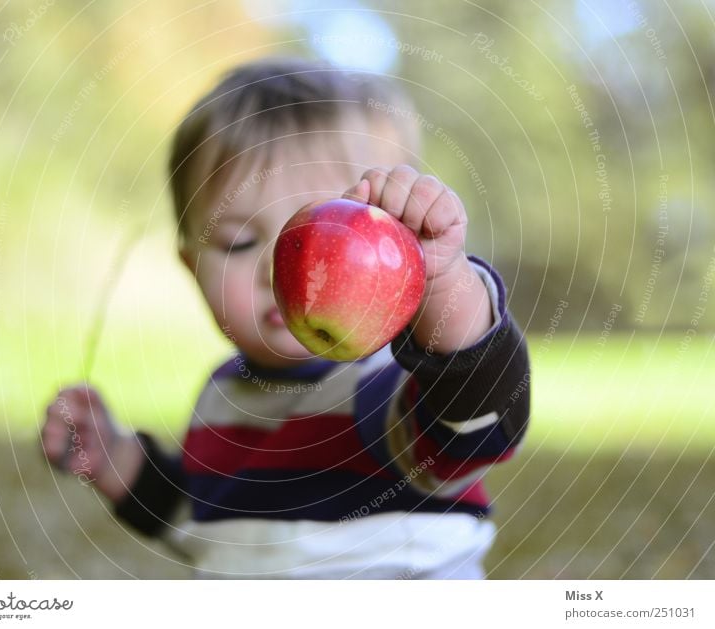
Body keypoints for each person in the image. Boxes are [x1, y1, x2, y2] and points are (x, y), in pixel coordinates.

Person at [41, 57, 530, 579]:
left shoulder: (390, 382)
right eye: (239, 242)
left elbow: (477, 420)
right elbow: (206, 524)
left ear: (401, 247)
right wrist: (114, 457)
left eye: (329, 234)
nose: (279, 268)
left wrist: (446, 284)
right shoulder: (224, 397)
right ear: (191, 267)